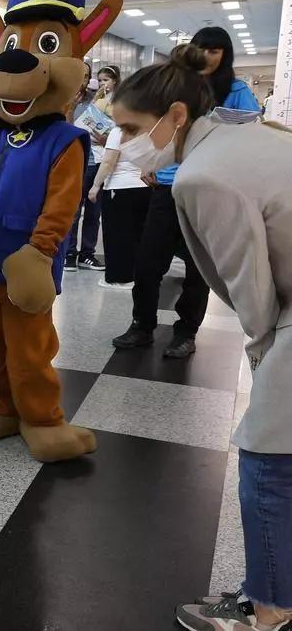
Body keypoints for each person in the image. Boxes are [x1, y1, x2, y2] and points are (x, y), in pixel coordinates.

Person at [106, 43, 292, 631]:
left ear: (176, 116)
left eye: (131, 127)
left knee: (268, 459)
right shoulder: (253, 134)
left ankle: (268, 611)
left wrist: (264, 353)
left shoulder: (202, 175)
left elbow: (251, 286)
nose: (127, 139)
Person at [112, 27, 261, 359]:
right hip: (167, 187)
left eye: (214, 50)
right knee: (148, 261)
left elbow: (252, 128)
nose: (207, 56)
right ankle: (142, 324)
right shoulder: (173, 87)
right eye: (201, 48)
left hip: (208, 188)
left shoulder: (234, 91)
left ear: (225, 54)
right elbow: (154, 128)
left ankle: (186, 331)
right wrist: (147, 161)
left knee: (198, 268)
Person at [65, 65, 118, 271]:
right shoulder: (68, 100)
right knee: (73, 210)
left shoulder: (99, 100)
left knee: (94, 211)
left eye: (88, 76)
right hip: (77, 160)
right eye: (82, 75)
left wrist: (107, 139)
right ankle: (69, 252)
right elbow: (67, 128)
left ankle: (87, 253)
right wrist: (70, 108)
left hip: (98, 160)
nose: (85, 80)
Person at [87, 125, 150, 290]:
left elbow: (108, 162)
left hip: (119, 187)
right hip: (144, 187)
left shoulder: (119, 132)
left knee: (116, 235)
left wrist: (95, 185)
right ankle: (136, 275)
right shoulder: (150, 128)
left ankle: (119, 278)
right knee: (138, 234)